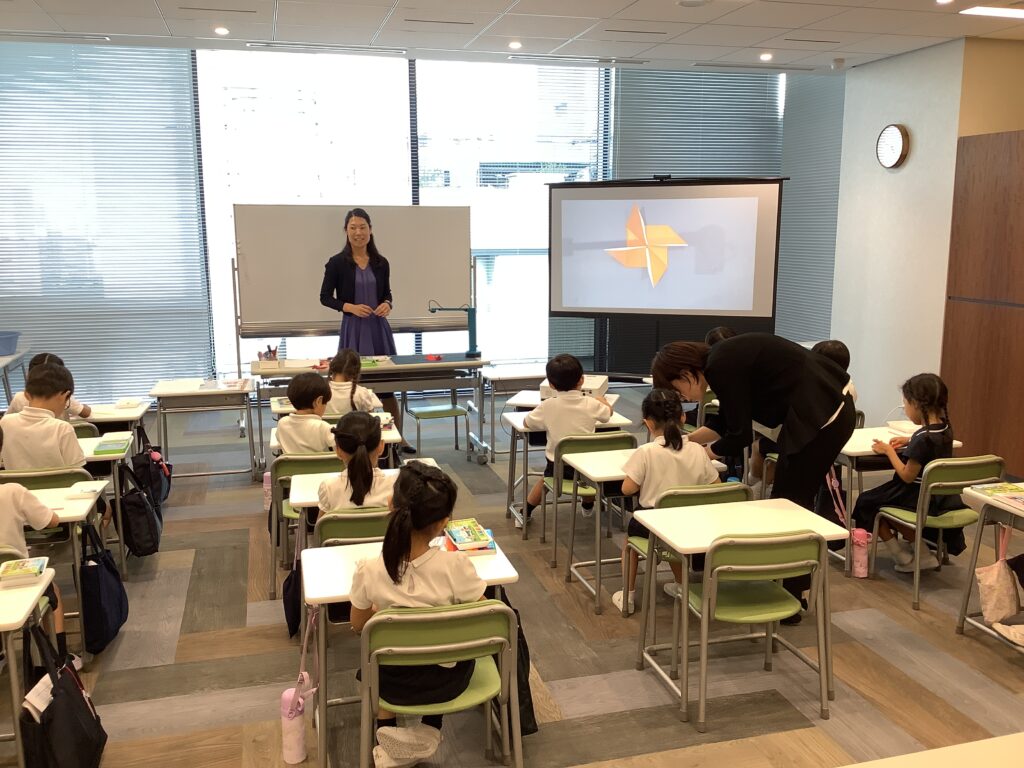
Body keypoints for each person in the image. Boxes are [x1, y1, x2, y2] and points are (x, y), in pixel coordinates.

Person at [652, 333, 855, 621]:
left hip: (825, 416)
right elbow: (727, 420)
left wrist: (699, 456)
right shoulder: (722, 360)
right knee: (788, 502)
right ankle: (788, 586)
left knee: (790, 505)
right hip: (826, 409)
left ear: (686, 374)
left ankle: (792, 594)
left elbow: (740, 435)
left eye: (678, 390)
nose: (683, 398)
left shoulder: (720, 366)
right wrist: (688, 443)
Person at [350, 462, 484, 768]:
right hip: (449, 680)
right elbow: (482, 616)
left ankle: (386, 734)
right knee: (445, 644)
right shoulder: (457, 567)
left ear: (390, 505)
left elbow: (358, 625)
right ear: (444, 523)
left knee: (378, 656)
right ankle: (430, 729)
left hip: (390, 680)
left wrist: (382, 613)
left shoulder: (369, 570)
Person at [612, 389, 720, 615]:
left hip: (652, 524)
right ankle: (683, 587)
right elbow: (716, 484)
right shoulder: (697, 451)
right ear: (683, 418)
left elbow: (627, 488)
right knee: (674, 543)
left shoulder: (646, 452)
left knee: (630, 545)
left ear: (648, 423)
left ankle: (628, 596)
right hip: (691, 523)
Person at [319, 208, 412, 453]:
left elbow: (387, 294)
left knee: (387, 386)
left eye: (362, 227)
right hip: (353, 329)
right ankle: (354, 439)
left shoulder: (381, 263)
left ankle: (396, 439)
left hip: (378, 329)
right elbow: (325, 297)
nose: (358, 232)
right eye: (353, 228)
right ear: (346, 231)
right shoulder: (337, 263)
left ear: (370, 230)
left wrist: (387, 304)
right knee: (352, 385)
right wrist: (348, 306)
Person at [852, 373, 960, 571]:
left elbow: (907, 475)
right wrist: (909, 440)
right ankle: (923, 554)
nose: (906, 411)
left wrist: (889, 451)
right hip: (938, 498)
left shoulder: (922, 438)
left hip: (913, 495)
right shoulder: (944, 429)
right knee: (876, 503)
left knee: (866, 503)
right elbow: (928, 443)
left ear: (917, 405)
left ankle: (901, 556)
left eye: (906, 405)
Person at [0, 423, 72, 661]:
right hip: (11, 581)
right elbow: (51, 521)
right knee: (53, 589)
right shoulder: (12, 492)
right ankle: (58, 659)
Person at [520, 354, 612, 527]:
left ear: (551, 384)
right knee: (587, 482)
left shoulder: (548, 405)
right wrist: (604, 401)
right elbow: (607, 416)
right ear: (582, 380)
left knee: (545, 481)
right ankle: (587, 505)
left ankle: (526, 511)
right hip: (586, 464)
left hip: (558, 464)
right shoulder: (591, 404)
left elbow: (527, 422)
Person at [0, 363, 86, 470]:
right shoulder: (62, 428)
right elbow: (77, 472)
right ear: (65, 396)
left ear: (26, 394)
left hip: (16, 485)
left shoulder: (4, 423)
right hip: (59, 486)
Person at [318, 412, 397, 517]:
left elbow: (321, 530)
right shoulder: (395, 486)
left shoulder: (328, 488)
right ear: (381, 446)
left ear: (337, 450)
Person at [3, 352, 92, 420]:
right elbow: (86, 413)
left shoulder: (19, 398)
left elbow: (6, 420)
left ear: (29, 375)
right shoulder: (62, 398)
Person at [276, 372, 334, 454]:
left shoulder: (282, 423)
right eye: (325, 403)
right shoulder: (323, 427)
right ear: (318, 401)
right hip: (320, 466)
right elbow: (340, 448)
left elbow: (278, 439)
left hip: (291, 467)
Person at [323, 348, 382, 419]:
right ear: (356, 372)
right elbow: (370, 419)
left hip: (327, 429)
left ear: (332, 366)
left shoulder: (321, 391)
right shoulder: (361, 393)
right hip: (355, 430)